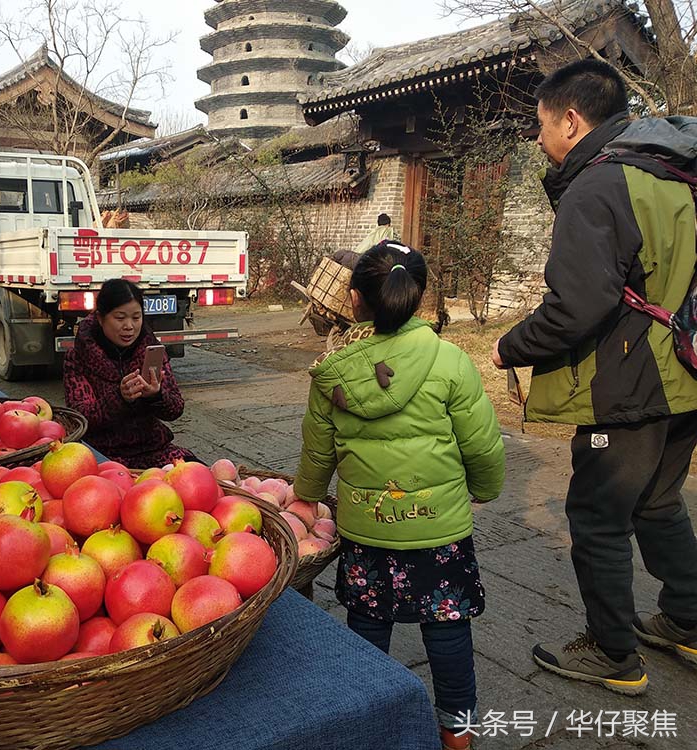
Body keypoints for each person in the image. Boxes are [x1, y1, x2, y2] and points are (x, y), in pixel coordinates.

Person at [492, 59, 697, 694]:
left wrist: (510, 346)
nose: (537, 139)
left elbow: (577, 307)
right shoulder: (672, 173)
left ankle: (612, 653)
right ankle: (687, 621)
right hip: (688, 371)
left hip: (632, 383)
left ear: (572, 120)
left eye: (540, 125)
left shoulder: (596, 188)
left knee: (598, 516)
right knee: (660, 503)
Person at [295, 242, 505, 750]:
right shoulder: (452, 361)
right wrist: (484, 488)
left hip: (368, 529)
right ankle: (457, 732)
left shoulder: (335, 372)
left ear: (354, 299)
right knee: (447, 628)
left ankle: (368, 725)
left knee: (367, 627)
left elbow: (317, 453)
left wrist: (306, 498)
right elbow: (482, 444)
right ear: (417, 295)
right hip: (439, 529)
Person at [63, 278, 197, 469]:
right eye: (120, 318)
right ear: (101, 318)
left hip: (153, 451)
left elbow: (176, 409)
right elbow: (79, 418)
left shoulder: (151, 350)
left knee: (201, 477)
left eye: (136, 317)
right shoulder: (78, 357)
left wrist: (156, 396)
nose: (129, 326)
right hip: (102, 455)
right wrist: (120, 397)